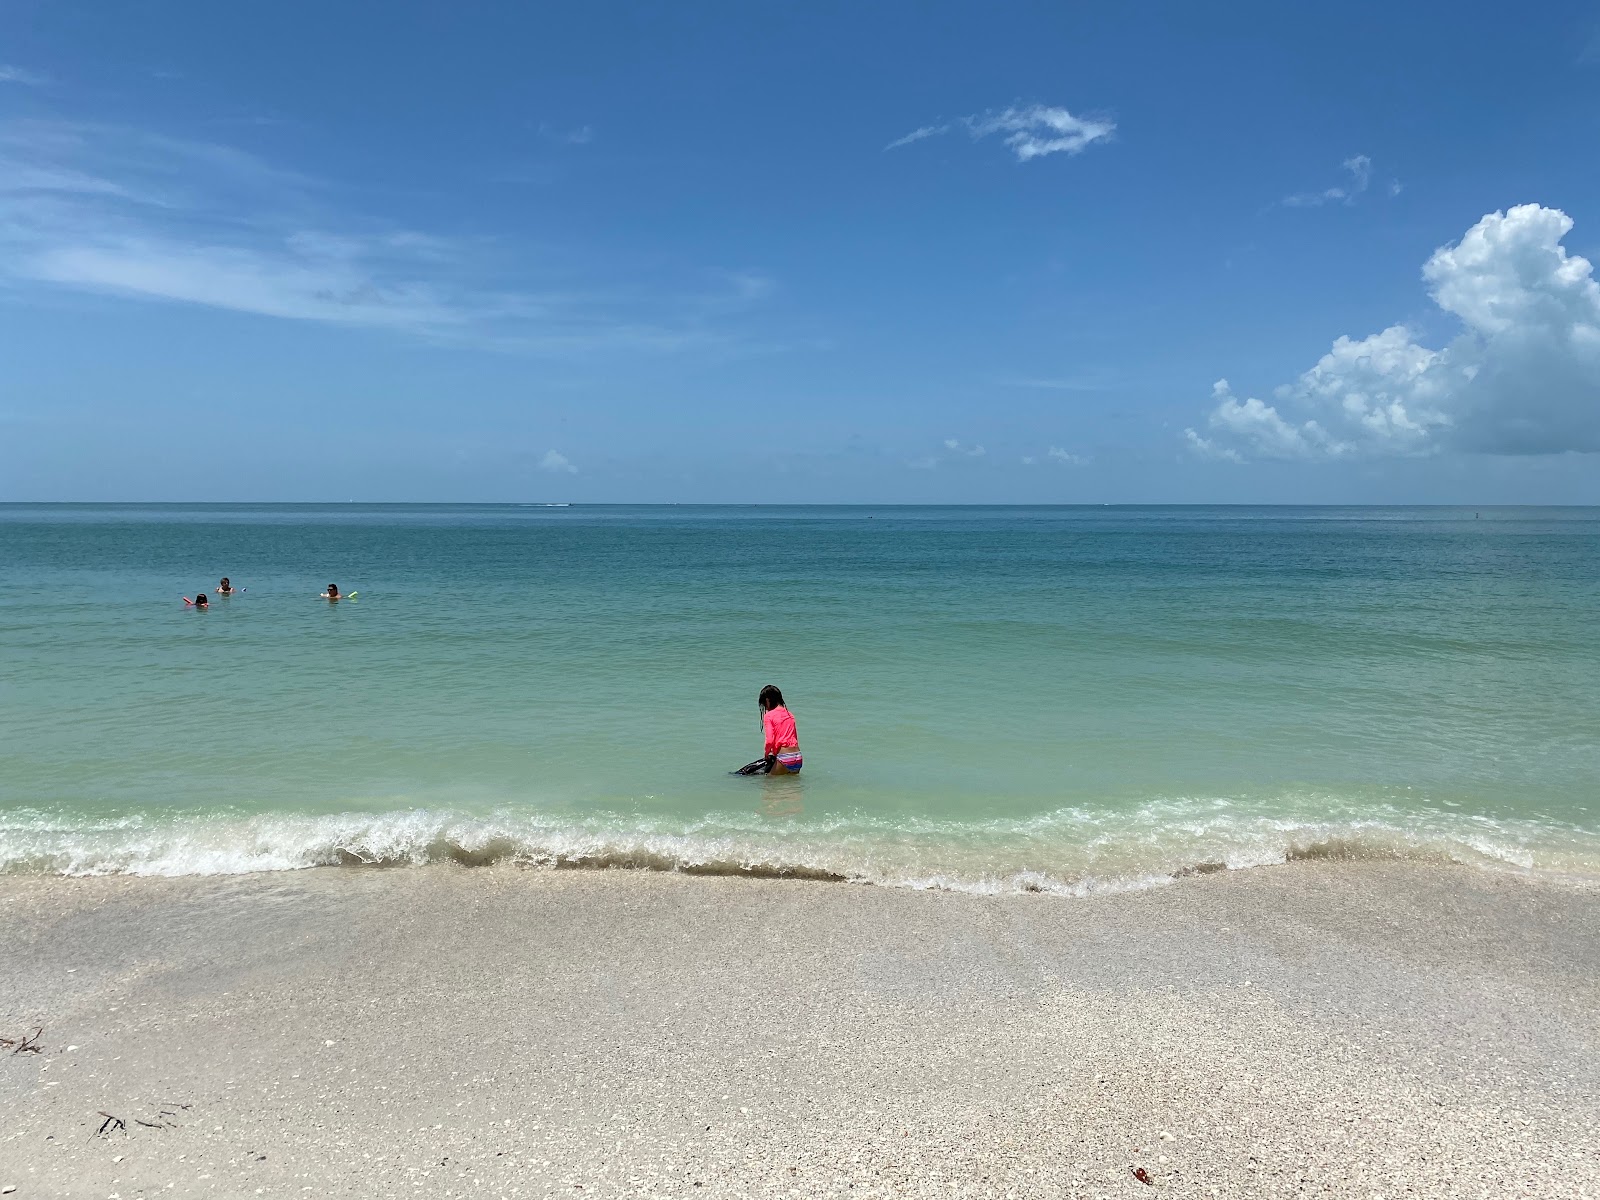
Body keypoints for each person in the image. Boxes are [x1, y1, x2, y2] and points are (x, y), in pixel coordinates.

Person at [735, 684, 803, 775]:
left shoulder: (769, 715)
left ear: (767, 700)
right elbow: (794, 738)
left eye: (764, 704)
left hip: (784, 756)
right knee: (792, 787)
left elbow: (769, 741)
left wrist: (767, 754)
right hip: (797, 757)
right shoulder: (790, 714)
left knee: (770, 785)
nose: (765, 708)